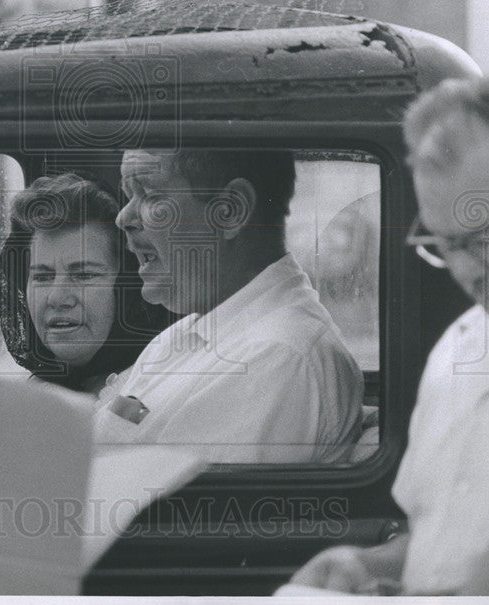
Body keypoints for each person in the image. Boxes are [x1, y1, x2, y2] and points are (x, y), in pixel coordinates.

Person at [289, 75, 489, 595]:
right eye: (447, 244)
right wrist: (366, 567)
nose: (469, 272)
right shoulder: (458, 347)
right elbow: (434, 540)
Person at [93, 149, 364, 464]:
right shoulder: (191, 333)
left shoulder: (273, 356)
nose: (122, 218)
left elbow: (166, 509)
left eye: (150, 195)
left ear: (230, 210)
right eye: (129, 196)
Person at [0, 172, 168, 395]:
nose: (57, 298)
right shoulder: (22, 398)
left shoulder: (161, 390)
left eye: (84, 275)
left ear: (128, 288)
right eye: (42, 277)